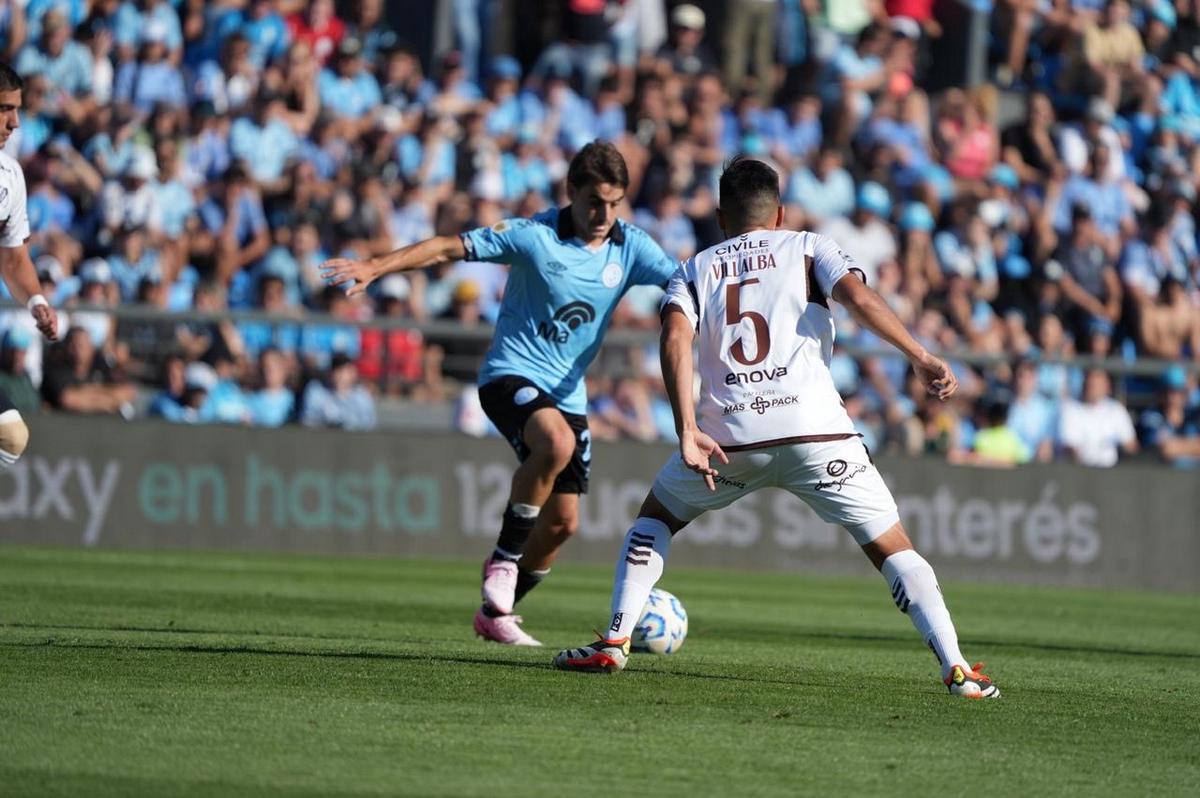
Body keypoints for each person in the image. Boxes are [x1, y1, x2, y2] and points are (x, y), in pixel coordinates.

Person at [553, 158, 1000, 699]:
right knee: (892, 547)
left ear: (721, 216)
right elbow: (859, 298)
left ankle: (615, 640)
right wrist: (920, 354)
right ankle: (956, 668)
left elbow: (674, 340)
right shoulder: (810, 246)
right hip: (818, 433)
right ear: (780, 212)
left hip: (731, 439)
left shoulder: (692, 268)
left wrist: (687, 427)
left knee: (654, 521)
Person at [322, 141, 678, 646]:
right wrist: (376, 267)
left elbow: (687, 281)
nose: (604, 214)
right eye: (595, 201)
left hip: (567, 395)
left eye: (614, 203)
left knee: (561, 526)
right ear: (571, 192)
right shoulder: (533, 236)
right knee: (554, 445)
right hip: (510, 375)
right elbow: (448, 246)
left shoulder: (630, 247)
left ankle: (495, 614)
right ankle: (504, 560)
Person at [0, 62, 58, 468]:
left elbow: (14, 258)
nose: (15, 122)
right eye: (4, 109)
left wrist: (35, 298)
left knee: (11, 437)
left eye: (17, 110)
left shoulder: (9, 178)